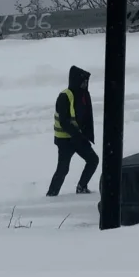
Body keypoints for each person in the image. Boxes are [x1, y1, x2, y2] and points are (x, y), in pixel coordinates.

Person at [46, 65, 98, 196]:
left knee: (93, 160)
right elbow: (64, 122)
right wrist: (78, 135)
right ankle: (52, 194)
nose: (86, 84)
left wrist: (84, 136)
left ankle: (81, 187)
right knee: (63, 169)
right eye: (84, 81)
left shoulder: (82, 96)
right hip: (65, 140)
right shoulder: (65, 96)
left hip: (77, 138)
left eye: (87, 82)